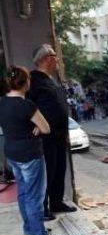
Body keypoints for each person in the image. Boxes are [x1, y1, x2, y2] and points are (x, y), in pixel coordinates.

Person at [0, 66, 52, 235]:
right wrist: (36, 126)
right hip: (30, 155)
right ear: (25, 83)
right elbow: (46, 128)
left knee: (22, 192)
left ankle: (29, 228)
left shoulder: (2, 102)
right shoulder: (27, 105)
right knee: (34, 195)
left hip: (12, 154)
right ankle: (38, 233)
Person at [27, 44, 76, 220]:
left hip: (59, 135)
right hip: (44, 137)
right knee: (46, 172)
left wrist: (66, 133)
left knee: (59, 170)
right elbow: (26, 104)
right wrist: (33, 124)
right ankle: (41, 209)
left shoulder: (50, 79)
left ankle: (56, 202)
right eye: (55, 56)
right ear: (47, 58)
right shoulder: (33, 80)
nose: (57, 59)